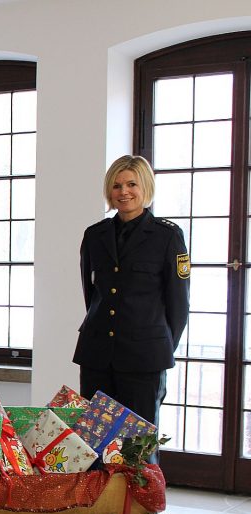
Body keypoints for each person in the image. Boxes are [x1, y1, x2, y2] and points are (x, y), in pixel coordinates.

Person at [73, 154, 190, 454]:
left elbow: (178, 305)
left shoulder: (167, 237)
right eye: (116, 185)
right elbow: (92, 294)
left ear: (145, 187)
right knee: (95, 442)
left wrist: (158, 344)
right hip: (98, 354)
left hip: (144, 356)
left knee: (137, 446)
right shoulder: (94, 235)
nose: (123, 192)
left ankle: (141, 502)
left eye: (131, 184)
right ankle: (101, 501)